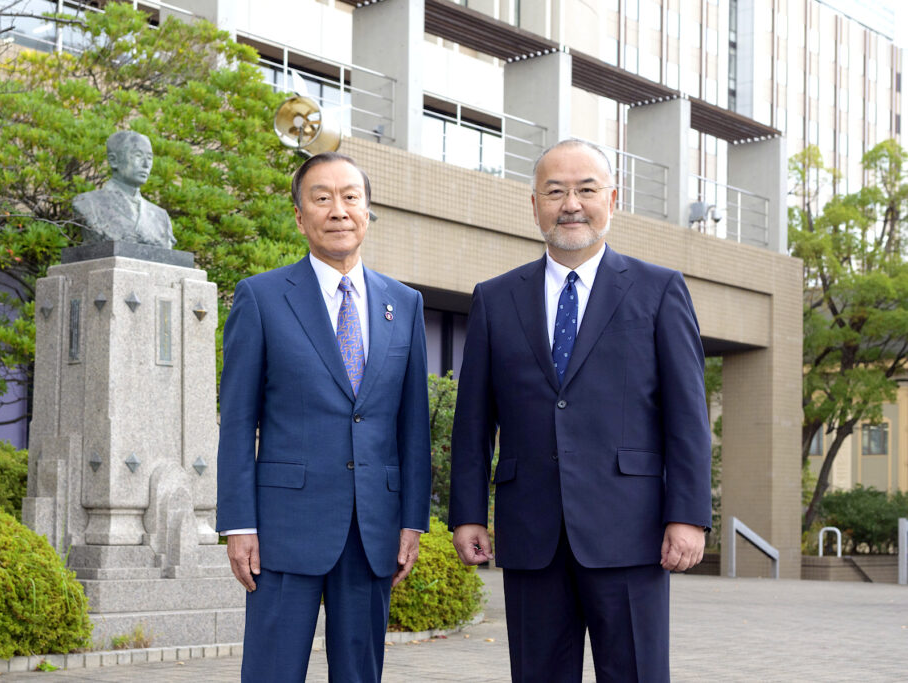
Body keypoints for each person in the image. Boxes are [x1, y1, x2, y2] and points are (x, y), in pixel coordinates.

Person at [448, 139, 712, 682]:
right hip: (531, 533)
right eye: (555, 191)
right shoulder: (495, 298)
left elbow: (687, 416)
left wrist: (687, 515)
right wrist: (468, 512)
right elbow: (473, 420)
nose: (571, 204)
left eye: (586, 189)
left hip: (631, 532)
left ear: (611, 199)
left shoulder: (659, 290)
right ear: (534, 205)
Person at [216, 152, 431, 682]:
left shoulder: (403, 304)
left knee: (360, 673)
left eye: (351, 197)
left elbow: (412, 426)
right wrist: (239, 524)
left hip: (372, 528)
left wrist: (411, 520)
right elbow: (239, 420)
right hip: (283, 528)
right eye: (322, 198)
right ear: (299, 215)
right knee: (272, 672)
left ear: (367, 210)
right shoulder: (261, 297)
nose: (339, 210)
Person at [72, 131, 176, 249]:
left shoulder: (161, 217)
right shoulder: (88, 203)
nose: (146, 164)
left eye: (149, 158)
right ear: (113, 161)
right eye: (138, 155)